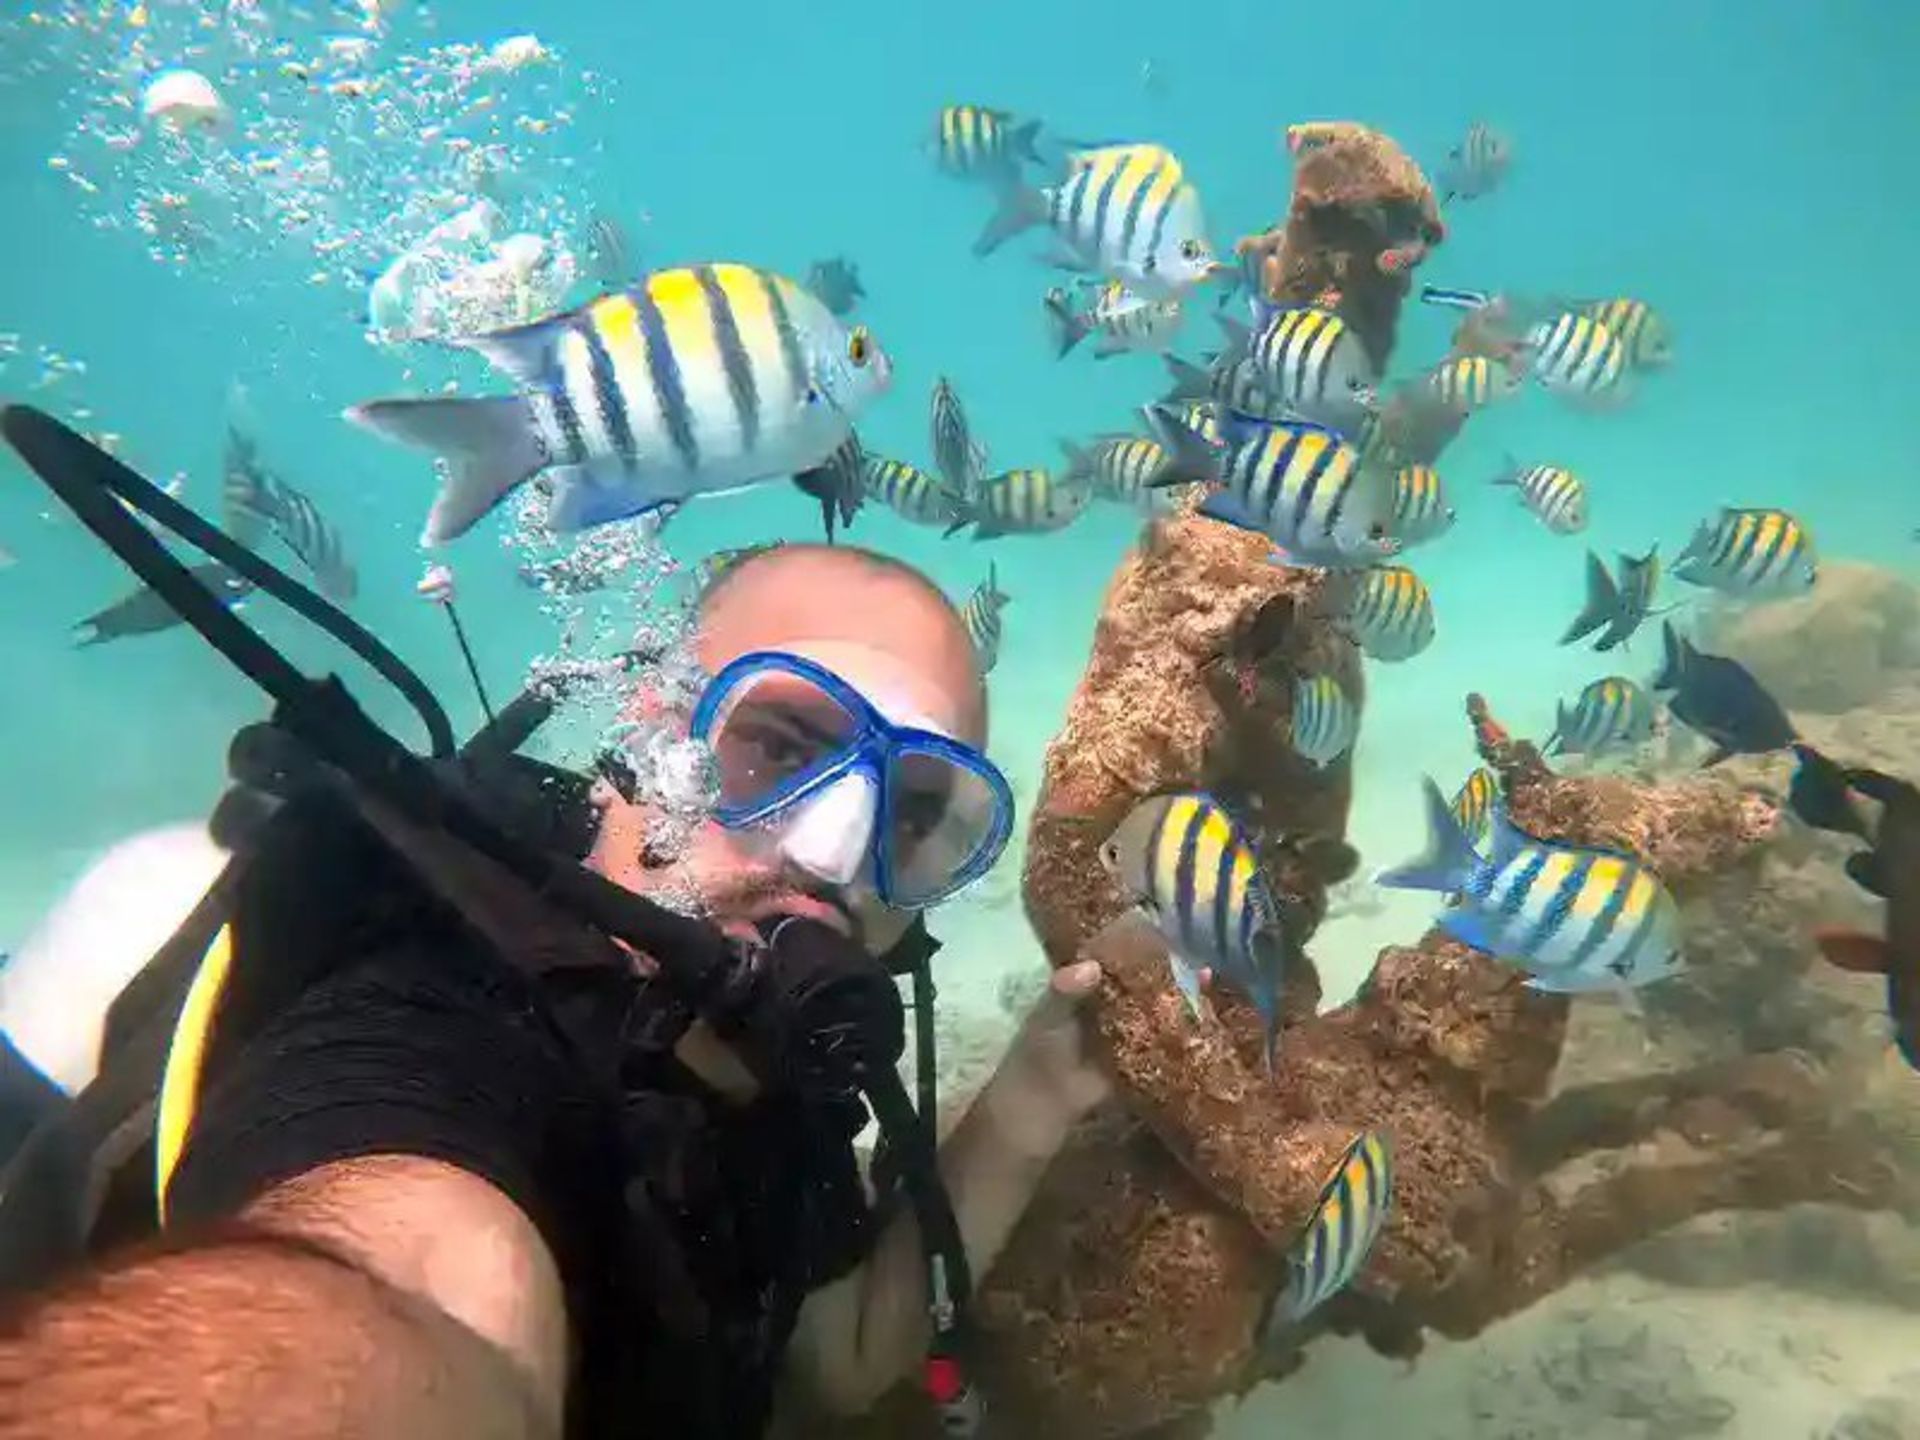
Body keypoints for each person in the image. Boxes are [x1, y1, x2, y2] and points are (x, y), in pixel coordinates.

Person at [0, 541, 1112, 1439]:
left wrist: (1032, 1099)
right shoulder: (439, 989)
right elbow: (419, 1277)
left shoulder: (782, 1060)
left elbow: (833, 1355)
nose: (833, 855)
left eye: (918, 813)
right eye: (779, 745)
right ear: (649, 725)